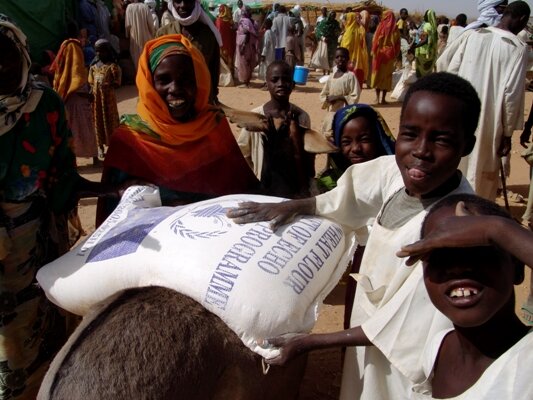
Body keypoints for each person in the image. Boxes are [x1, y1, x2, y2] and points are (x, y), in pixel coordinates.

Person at [227, 71, 480, 400]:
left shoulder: (453, 228)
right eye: (411, 134)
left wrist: (310, 342)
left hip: (402, 358)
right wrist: (298, 206)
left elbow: (400, 325)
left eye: (441, 139)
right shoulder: (396, 172)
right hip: (366, 332)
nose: (421, 151)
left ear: (467, 145)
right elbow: (353, 192)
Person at [0, 14, 121, 398]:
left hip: (41, 243)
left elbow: (63, 176)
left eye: (5, 57)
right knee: (10, 351)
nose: (0, 68)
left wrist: (114, 192)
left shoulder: (44, 104)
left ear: (21, 53)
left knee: (53, 333)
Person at [97, 34, 258, 223]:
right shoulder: (130, 141)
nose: (175, 88)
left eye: (186, 79)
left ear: (199, 81)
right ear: (148, 83)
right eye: (164, 80)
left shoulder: (213, 126)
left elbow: (244, 191)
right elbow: (112, 218)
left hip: (215, 241)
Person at [398, 194, 532, 399]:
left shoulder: (527, 361)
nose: (458, 267)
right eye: (440, 256)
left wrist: (495, 229)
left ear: (517, 269)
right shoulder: (439, 347)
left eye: (478, 252)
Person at [437, 1, 530, 201]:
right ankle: (475, 216)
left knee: (456, 161)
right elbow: (511, 95)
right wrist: (507, 134)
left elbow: (449, 69)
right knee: (482, 169)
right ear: (522, 19)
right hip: (490, 121)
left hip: (459, 115)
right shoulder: (516, 48)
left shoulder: (472, 36)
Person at [237, 61, 313, 197]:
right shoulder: (255, 116)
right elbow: (243, 152)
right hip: (264, 187)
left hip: (292, 188)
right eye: (274, 80)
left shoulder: (302, 117)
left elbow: (306, 153)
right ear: (267, 83)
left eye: (286, 79)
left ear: (293, 84)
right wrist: (253, 179)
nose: (281, 84)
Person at [158, 0, 222, 102]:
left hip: (201, 101)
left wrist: (212, 98)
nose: (183, 5)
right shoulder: (163, 34)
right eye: (178, 1)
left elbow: (213, 72)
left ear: (196, 3)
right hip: (173, 102)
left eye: (188, 1)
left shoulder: (209, 36)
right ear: (172, 3)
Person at [51, 36, 99, 162]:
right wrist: (89, 96)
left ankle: (75, 159)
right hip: (79, 105)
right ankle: (94, 157)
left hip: (69, 105)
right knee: (86, 131)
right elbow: (77, 88)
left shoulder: (62, 71)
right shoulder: (76, 71)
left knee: (73, 133)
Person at [88, 39, 122, 159]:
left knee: (110, 121)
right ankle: (100, 147)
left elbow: (118, 82)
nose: (99, 54)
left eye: (101, 51)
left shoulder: (112, 66)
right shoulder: (93, 67)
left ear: (107, 51)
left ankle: (113, 147)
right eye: (97, 51)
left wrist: (109, 84)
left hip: (108, 101)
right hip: (97, 102)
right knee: (98, 122)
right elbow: (91, 83)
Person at [319, 47, 361, 139]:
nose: (340, 59)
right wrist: (328, 99)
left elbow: (355, 96)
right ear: (334, 59)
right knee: (329, 136)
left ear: (348, 59)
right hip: (331, 113)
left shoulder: (350, 76)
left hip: (345, 113)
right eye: (337, 57)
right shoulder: (331, 76)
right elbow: (323, 94)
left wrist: (339, 97)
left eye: (343, 57)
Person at [370, 10, 401, 105]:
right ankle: (383, 99)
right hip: (389, 56)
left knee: (378, 75)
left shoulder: (380, 27)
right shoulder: (395, 29)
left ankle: (377, 98)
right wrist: (395, 54)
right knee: (386, 77)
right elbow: (397, 43)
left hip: (379, 55)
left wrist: (375, 50)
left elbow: (374, 40)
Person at [340, 11, 368, 87]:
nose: (345, 21)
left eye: (347, 19)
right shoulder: (359, 28)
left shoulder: (350, 31)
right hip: (358, 56)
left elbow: (347, 46)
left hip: (350, 56)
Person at [125, 0, 155, 70]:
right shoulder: (145, 7)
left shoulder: (129, 8)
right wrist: (153, 33)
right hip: (146, 37)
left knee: (136, 60)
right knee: (147, 57)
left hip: (134, 38)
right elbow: (150, 24)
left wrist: (128, 36)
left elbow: (127, 25)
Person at [235, 6, 259, 88]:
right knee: (249, 63)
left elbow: (247, 33)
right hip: (251, 45)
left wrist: (244, 45)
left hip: (245, 45)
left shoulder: (245, 21)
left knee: (244, 63)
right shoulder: (253, 21)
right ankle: (247, 81)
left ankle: (245, 83)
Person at [411, 9, 437, 77]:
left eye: (425, 15)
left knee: (421, 71)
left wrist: (414, 47)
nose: (424, 16)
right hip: (430, 52)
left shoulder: (427, 25)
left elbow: (425, 40)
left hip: (423, 51)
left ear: (427, 16)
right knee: (428, 70)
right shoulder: (433, 26)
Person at [215, 4, 236, 76]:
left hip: (221, 43)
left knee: (222, 60)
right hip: (229, 43)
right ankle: (231, 76)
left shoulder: (218, 21)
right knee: (230, 59)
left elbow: (218, 32)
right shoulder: (230, 21)